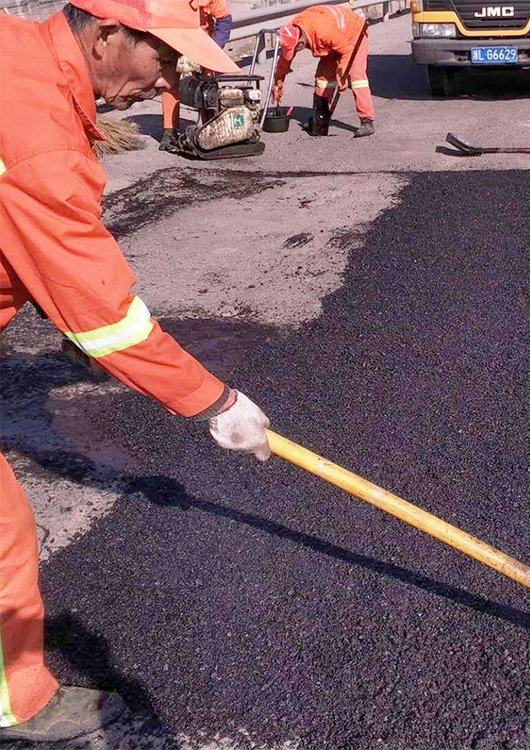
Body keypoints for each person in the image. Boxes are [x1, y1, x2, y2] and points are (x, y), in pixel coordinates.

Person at [0, 0, 271, 741]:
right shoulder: (40, 139)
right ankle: (15, 707)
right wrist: (215, 401)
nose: (170, 78)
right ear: (107, 34)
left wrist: (74, 318)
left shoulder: (16, 55)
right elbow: (103, 314)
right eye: (165, 57)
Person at [272, 4, 375, 138]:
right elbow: (284, 63)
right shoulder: (290, 31)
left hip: (354, 34)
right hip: (333, 39)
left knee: (356, 77)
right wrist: (278, 85)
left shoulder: (322, 30)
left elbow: (347, 50)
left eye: (295, 49)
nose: (294, 52)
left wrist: (342, 75)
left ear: (301, 42)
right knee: (322, 79)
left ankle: (367, 120)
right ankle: (320, 121)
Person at [160, 0, 234, 152]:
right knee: (169, 85)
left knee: (206, 86)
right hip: (175, 41)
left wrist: (213, 47)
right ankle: (169, 132)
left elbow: (225, 20)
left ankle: (211, 127)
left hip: (203, 44)